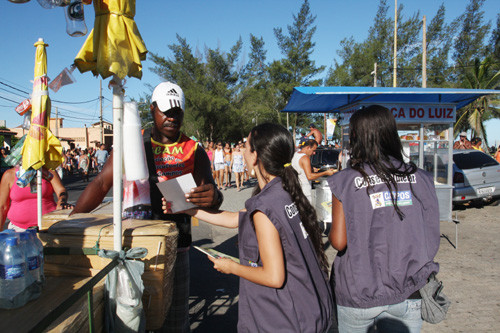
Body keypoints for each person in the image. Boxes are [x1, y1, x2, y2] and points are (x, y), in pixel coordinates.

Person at [71, 81, 222, 332]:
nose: (172, 118)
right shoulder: (133, 143)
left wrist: (213, 197)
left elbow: (212, 194)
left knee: (174, 321)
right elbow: (100, 184)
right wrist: (72, 220)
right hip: (135, 247)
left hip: (178, 248)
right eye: (166, 111)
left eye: (177, 113)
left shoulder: (194, 149)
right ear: (152, 109)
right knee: (133, 316)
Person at [164, 123, 333, 332]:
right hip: (310, 309)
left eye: (246, 145)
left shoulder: (264, 207)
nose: (242, 150)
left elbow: (274, 276)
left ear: (255, 156)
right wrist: (186, 209)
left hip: (285, 319)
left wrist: (230, 267)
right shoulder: (284, 190)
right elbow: (235, 219)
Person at [327, 105, 440, 333]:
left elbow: (339, 242)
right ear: (390, 134)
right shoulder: (420, 177)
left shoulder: (347, 181)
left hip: (359, 291)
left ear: (357, 137)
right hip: (408, 290)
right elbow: (430, 234)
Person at [0, 165, 72, 231]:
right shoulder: (9, 175)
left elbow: (61, 190)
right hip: (18, 230)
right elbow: (2, 207)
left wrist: (61, 201)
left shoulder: (48, 171)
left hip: (48, 226)